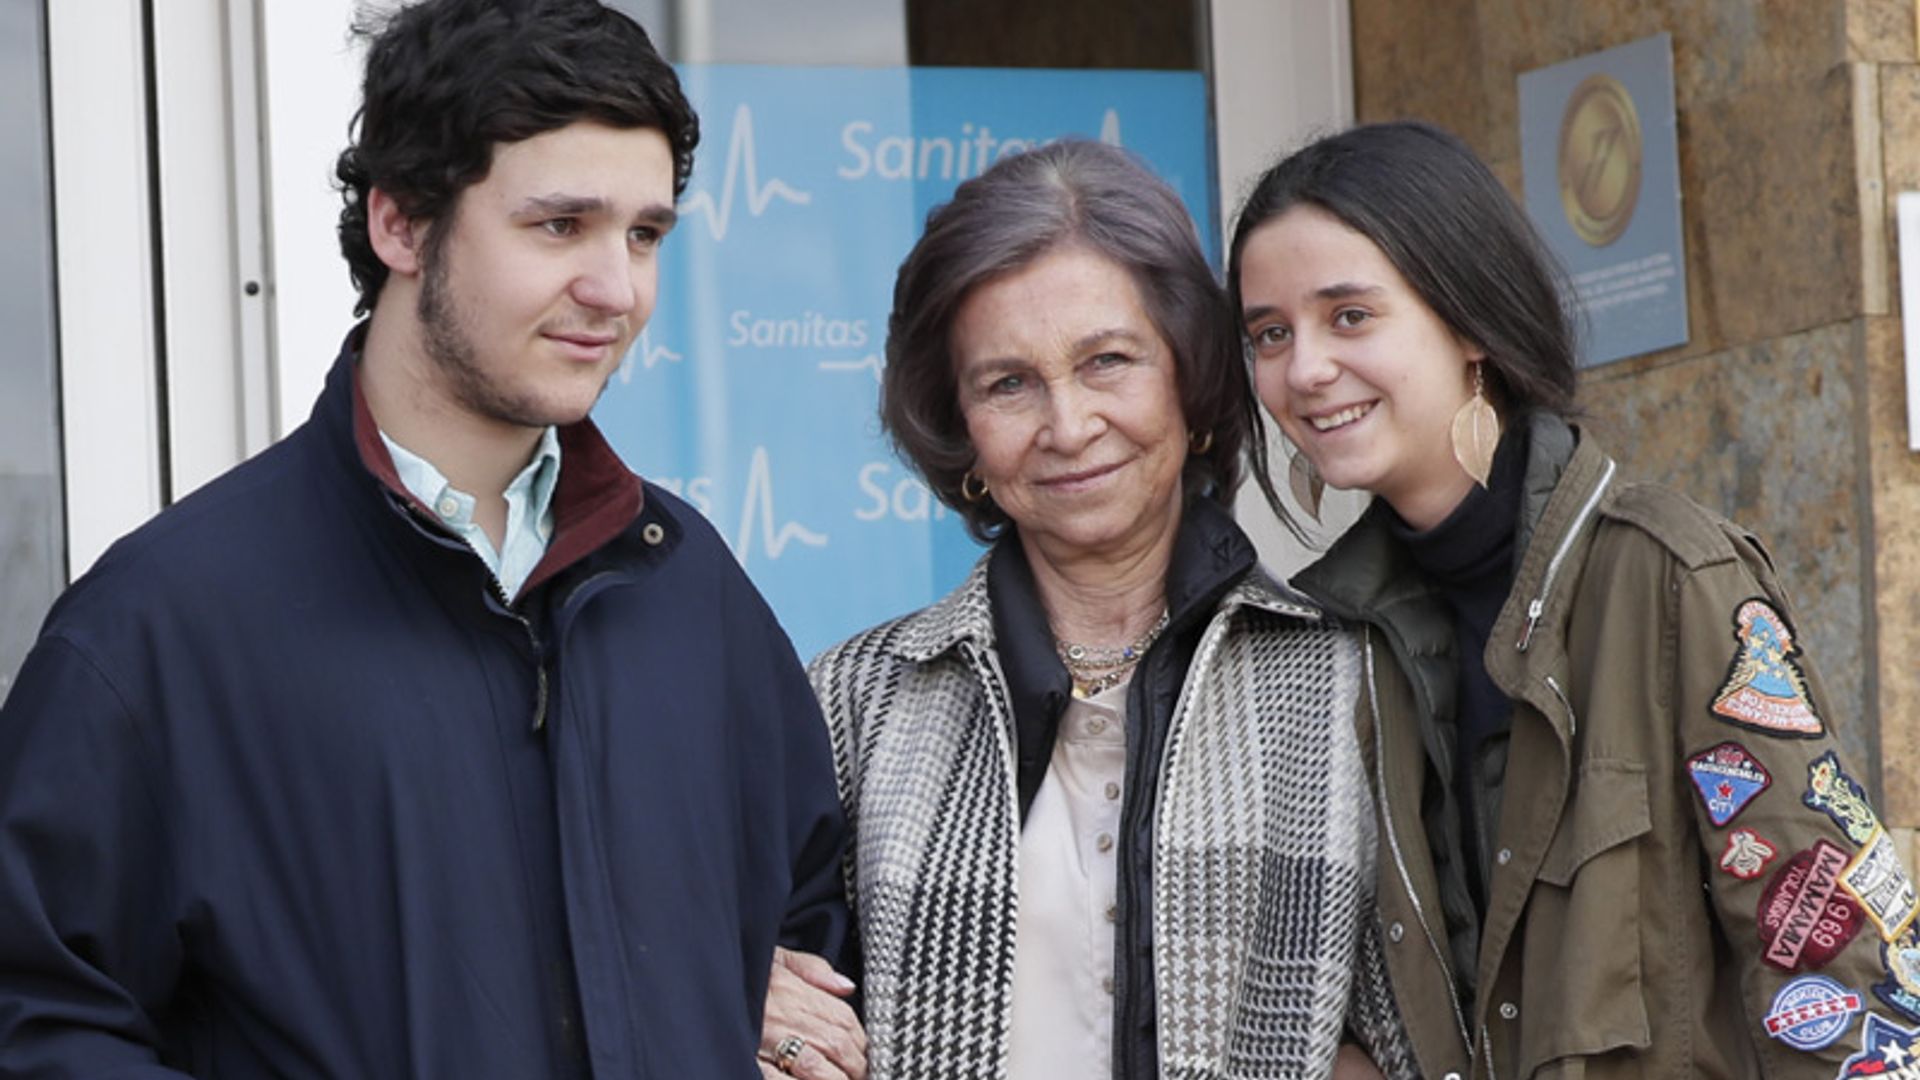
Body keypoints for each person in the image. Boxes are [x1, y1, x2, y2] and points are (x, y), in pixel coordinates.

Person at [0, 1, 849, 1075]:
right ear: (401, 224)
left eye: (644, 234)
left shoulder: (684, 587)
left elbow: (806, 917)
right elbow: (37, 1014)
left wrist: (749, 1007)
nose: (616, 289)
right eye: (559, 225)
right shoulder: (165, 623)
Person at [1230, 119, 1920, 1079]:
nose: (1303, 370)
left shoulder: (1673, 578)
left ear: (1468, 316)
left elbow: (1832, 956)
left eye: (1349, 316)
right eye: (1270, 333)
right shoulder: (1314, 644)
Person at [765, 138, 1410, 1080]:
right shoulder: (858, 703)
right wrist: (750, 994)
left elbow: (1427, 1032)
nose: (1067, 427)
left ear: (1190, 379)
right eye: (1009, 383)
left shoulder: (1347, 681)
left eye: (1108, 361)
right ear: (963, 435)